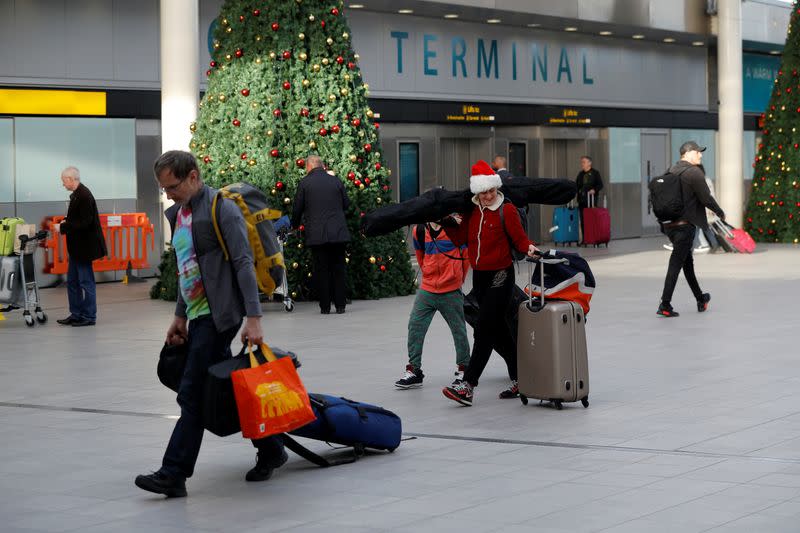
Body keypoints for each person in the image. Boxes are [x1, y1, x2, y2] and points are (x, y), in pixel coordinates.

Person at [135, 151, 286, 498]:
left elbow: (244, 264)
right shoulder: (181, 214)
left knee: (192, 392)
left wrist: (254, 318)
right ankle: (271, 448)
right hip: (197, 314)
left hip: (219, 317)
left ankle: (174, 474)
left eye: (172, 186)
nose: (167, 194)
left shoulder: (222, 209)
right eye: (163, 188)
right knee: (218, 389)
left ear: (193, 176)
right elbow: (186, 268)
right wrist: (178, 315)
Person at [441, 160, 539, 406]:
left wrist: (530, 248)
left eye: (491, 190)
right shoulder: (471, 212)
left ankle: (468, 385)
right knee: (499, 332)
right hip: (481, 277)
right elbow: (460, 239)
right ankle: (521, 378)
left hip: (501, 276)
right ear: (476, 191)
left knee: (484, 329)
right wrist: (443, 223)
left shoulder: (506, 210)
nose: (488, 195)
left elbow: (519, 239)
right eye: (483, 191)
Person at [394, 219, 470, 389]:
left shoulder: (455, 228)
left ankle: (464, 368)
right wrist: (429, 275)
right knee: (415, 326)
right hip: (427, 289)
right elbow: (421, 257)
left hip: (451, 288)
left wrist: (457, 279)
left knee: (458, 330)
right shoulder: (419, 230)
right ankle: (414, 370)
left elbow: (466, 256)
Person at [657, 141, 725, 318]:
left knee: (687, 264)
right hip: (684, 227)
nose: (700, 155)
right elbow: (706, 198)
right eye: (698, 152)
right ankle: (665, 304)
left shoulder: (670, 170)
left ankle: (700, 298)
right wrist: (720, 212)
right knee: (676, 264)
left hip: (670, 225)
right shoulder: (693, 172)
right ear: (687, 153)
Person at [291, 155, 351, 314]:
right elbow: (346, 204)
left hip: (317, 235)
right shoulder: (336, 181)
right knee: (339, 268)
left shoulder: (305, 183)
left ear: (308, 167)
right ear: (323, 166)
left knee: (321, 270)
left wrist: (295, 225)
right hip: (338, 233)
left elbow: (297, 208)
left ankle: (325, 306)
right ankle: (340, 305)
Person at [56, 167, 107, 327]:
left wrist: (63, 227)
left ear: (71, 179)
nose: (63, 184)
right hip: (77, 249)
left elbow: (85, 223)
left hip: (84, 248)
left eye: (64, 181)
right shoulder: (78, 195)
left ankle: (89, 316)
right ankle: (76, 314)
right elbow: (78, 218)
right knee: (72, 282)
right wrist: (66, 220)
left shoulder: (84, 196)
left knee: (86, 282)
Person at [574, 156, 604, 243]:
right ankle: (585, 239)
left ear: (589, 163)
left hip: (591, 201)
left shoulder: (595, 173)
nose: (582, 164)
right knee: (583, 220)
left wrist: (594, 190)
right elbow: (576, 185)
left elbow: (600, 185)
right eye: (582, 162)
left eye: (584, 162)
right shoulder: (580, 174)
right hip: (582, 200)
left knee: (591, 219)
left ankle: (594, 238)